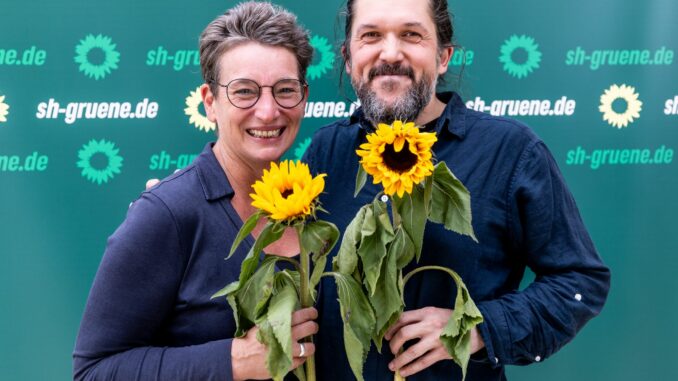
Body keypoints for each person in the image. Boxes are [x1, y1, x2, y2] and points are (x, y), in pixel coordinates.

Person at [303, 0, 611, 380]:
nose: (391, 52)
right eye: (371, 36)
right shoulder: (324, 152)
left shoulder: (510, 152)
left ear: (443, 56)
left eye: (411, 35)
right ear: (349, 58)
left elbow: (580, 282)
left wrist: (478, 328)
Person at [73, 2, 319, 380]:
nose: (268, 111)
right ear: (210, 102)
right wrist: (234, 361)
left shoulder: (316, 202)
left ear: (303, 96)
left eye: (284, 90)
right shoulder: (166, 213)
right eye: (244, 91)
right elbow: (93, 371)